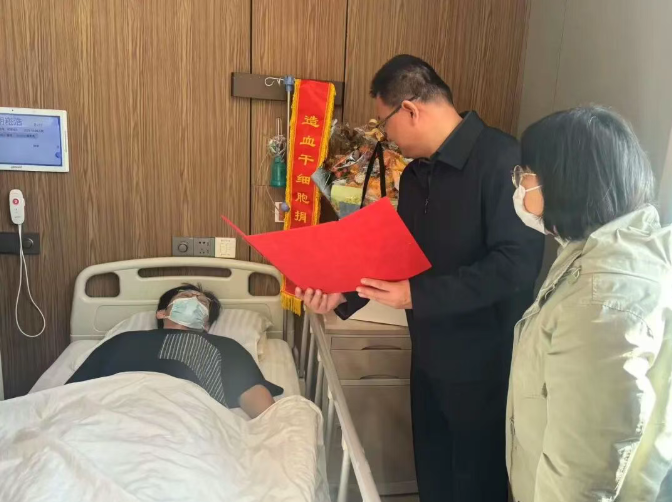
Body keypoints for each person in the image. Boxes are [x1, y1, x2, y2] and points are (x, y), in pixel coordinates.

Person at [298, 55, 545, 502]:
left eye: (385, 123)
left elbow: (516, 266)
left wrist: (418, 295)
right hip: (429, 354)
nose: (386, 136)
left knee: (475, 483)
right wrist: (342, 294)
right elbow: (398, 257)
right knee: (431, 473)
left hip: (484, 364)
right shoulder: (416, 176)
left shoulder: (503, 160)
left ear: (410, 110)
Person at [508, 106, 672, 502]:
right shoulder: (598, 257)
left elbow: (579, 477)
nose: (519, 185)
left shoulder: (604, 299)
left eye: (524, 174)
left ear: (563, 181)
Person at [68, 284, 282, 418]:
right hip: (114, 415)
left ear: (206, 324)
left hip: (187, 420)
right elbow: (71, 394)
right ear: (161, 313)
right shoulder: (122, 340)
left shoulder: (226, 347)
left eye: (202, 302)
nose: (194, 300)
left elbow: (261, 407)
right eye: (186, 296)